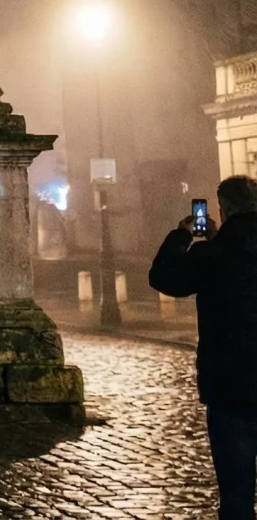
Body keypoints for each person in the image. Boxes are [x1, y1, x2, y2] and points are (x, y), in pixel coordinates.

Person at [150, 176, 257, 519]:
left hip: (231, 386)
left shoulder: (212, 255)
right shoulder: (217, 251)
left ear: (223, 209)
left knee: (237, 496)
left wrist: (183, 236)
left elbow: (164, 277)